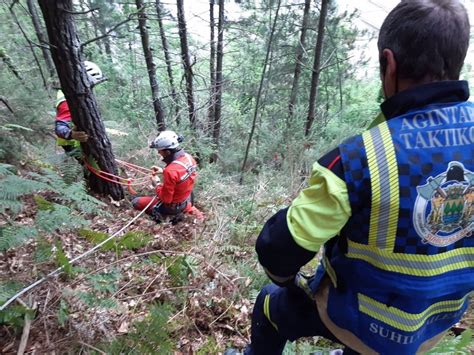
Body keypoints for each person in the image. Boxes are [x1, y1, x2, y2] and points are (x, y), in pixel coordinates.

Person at [228, 1, 473, 354]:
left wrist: (288, 282)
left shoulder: (359, 158)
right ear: (457, 60)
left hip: (359, 320)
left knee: (271, 302)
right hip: (435, 323)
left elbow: (278, 250)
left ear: (389, 64)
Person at [131, 130, 202, 223]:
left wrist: (156, 184)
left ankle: (167, 216)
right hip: (186, 199)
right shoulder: (189, 158)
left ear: (168, 152)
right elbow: (180, 174)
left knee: (136, 202)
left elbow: (166, 199)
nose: (158, 153)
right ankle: (189, 210)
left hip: (173, 206)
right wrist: (163, 171)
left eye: (160, 151)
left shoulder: (171, 171)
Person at [55, 61, 104, 156]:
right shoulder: (68, 100)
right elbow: (59, 127)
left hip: (76, 141)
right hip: (72, 143)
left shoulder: (72, 94)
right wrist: (71, 134)